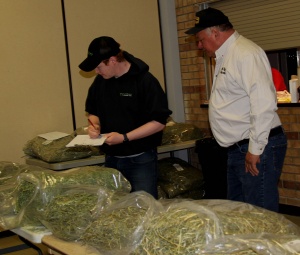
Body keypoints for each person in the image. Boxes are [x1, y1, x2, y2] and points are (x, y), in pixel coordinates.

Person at [185, 8, 287, 212]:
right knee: (240, 213)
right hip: (238, 148)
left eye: (200, 39)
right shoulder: (225, 55)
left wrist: (255, 149)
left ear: (214, 32)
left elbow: (263, 103)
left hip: (256, 146)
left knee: (259, 214)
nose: (199, 45)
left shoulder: (245, 53)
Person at [79, 36, 172, 199]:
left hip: (140, 160)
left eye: (99, 67)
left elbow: (158, 123)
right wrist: (94, 126)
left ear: (113, 60)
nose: (96, 72)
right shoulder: (101, 81)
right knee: (117, 211)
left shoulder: (145, 81)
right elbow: (93, 112)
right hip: (111, 160)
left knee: (144, 209)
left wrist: (124, 138)